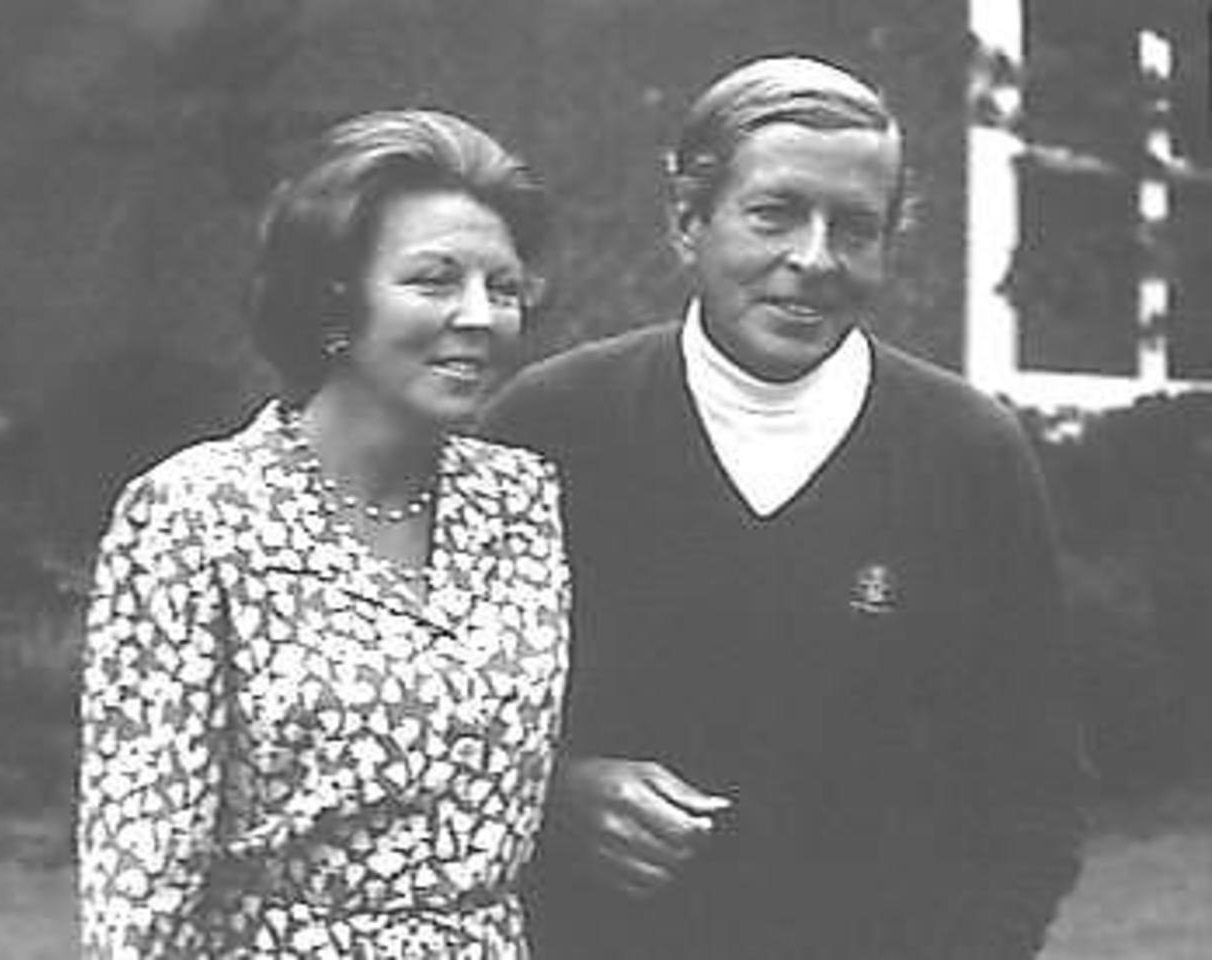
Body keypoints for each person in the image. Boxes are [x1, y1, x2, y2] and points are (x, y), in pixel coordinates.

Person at [483, 55, 1085, 959]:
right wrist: (556, 795)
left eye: (855, 226)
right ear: (688, 221)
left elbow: (1034, 789)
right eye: (774, 213)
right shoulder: (549, 429)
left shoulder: (968, 455)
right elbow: (448, 737)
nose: (813, 258)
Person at [78, 109, 569, 958]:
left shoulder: (523, 500)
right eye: (434, 280)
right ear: (334, 300)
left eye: (504, 288)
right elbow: (143, 867)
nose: (479, 316)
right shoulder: (197, 515)